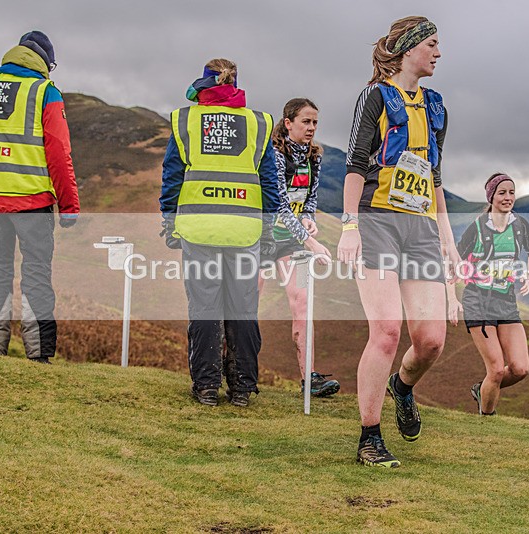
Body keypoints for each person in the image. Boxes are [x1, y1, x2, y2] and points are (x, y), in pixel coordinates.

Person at [337, 16, 460, 468]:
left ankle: (402, 387)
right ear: (409, 49)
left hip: (421, 226)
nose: (438, 52)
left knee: (430, 341)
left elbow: (436, 178)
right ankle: (370, 437)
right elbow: (353, 164)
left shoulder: (437, 105)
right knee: (387, 331)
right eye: (432, 43)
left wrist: (447, 243)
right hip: (376, 221)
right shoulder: (375, 95)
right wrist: (349, 225)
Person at [160, 58, 281, 407]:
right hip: (245, 231)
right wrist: (270, 230)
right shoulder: (257, 123)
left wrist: (169, 222)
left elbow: (172, 177)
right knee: (243, 309)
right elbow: (269, 183)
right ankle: (242, 388)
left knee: (204, 307)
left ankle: (207, 387)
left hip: (199, 230)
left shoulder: (186, 120)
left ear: (203, 84)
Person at [0, 30, 80, 364]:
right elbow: (59, 152)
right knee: (36, 276)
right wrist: (69, 204)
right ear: (45, 62)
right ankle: (38, 356)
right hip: (33, 201)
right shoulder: (45, 91)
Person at [258, 98, 338, 397]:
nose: (312, 128)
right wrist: (311, 241)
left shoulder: (314, 156)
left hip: (290, 241)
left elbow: (309, 198)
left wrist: (308, 220)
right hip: (263, 237)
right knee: (250, 302)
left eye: (315, 122)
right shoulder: (275, 155)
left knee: (302, 303)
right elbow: (278, 203)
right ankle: (240, 368)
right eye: (306, 121)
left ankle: (310, 378)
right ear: (288, 122)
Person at [448, 173, 529, 415]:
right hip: (478, 301)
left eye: (511, 192)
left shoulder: (520, 225)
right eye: (502, 193)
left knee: (520, 369)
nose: (508, 197)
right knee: (497, 370)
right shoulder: (477, 228)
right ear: (491, 197)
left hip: (506, 301)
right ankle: (487, 420)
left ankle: (482, 389)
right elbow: (453, 264)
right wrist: (451, 300)